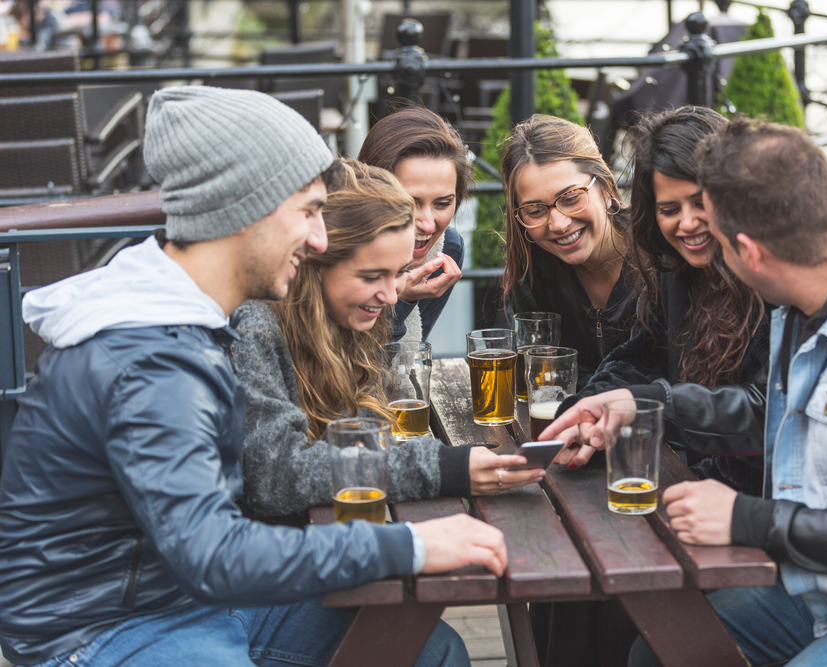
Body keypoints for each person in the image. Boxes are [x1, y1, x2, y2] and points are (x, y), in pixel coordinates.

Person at [0, 85, 506, 667]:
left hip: (186, 597)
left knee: (427, 653)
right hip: (100, 627)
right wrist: (410, 543)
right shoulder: (151, 359)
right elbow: (215, 552)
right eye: (309, 212)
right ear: (250, 211)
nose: (320, 240)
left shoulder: (187, 318)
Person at [551, 118, 827, 667]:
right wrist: (649, 402)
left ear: (749, 252)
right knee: (661, 653)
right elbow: (776, 416)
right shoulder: (815, 289)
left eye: (716, 235)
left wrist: (744, 518)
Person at [230, 158, 543, 526]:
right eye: (371, 276)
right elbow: (275, 476)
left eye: (396, 274)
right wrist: (442, 468)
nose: (392, 297)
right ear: (312, 263)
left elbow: (360, 443)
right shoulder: (253, 330)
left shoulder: (344, 320)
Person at [553, 106, 767, 497]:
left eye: (700, 202)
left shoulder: (773, 276)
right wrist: (591, 409)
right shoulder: (675, 268)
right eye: (669, 210)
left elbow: (765, 410)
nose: (686, 223)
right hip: (698, 480)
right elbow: (643, 355)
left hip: (760, 500)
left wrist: (648, 404)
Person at [497, 114, 637, 386]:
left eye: (571, 198)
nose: (558, 224)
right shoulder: (532, 274)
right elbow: (531, 372)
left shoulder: (659, 257)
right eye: (535, 210)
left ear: (606, 189)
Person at [357, 107, 469, 343]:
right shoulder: (336, 253)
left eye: (442, 203)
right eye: (407, 203)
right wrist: (397, 298)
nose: (428, 225)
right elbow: (349, 369)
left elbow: (402, 362)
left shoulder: (446, 251)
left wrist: (404, 299)